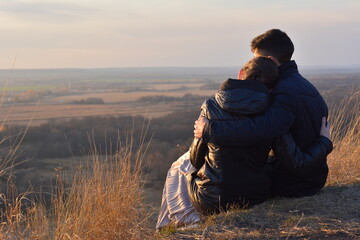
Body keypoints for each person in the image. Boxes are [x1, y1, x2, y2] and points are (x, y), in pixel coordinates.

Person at [194, 29, 332, 198]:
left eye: (255, 58)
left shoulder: (282, 92)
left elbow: (262, 128)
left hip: (292, 183)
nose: (253, 63)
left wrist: (209, 130)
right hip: (310, 178)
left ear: (270, 60)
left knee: (190, 167)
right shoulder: (302, 84)